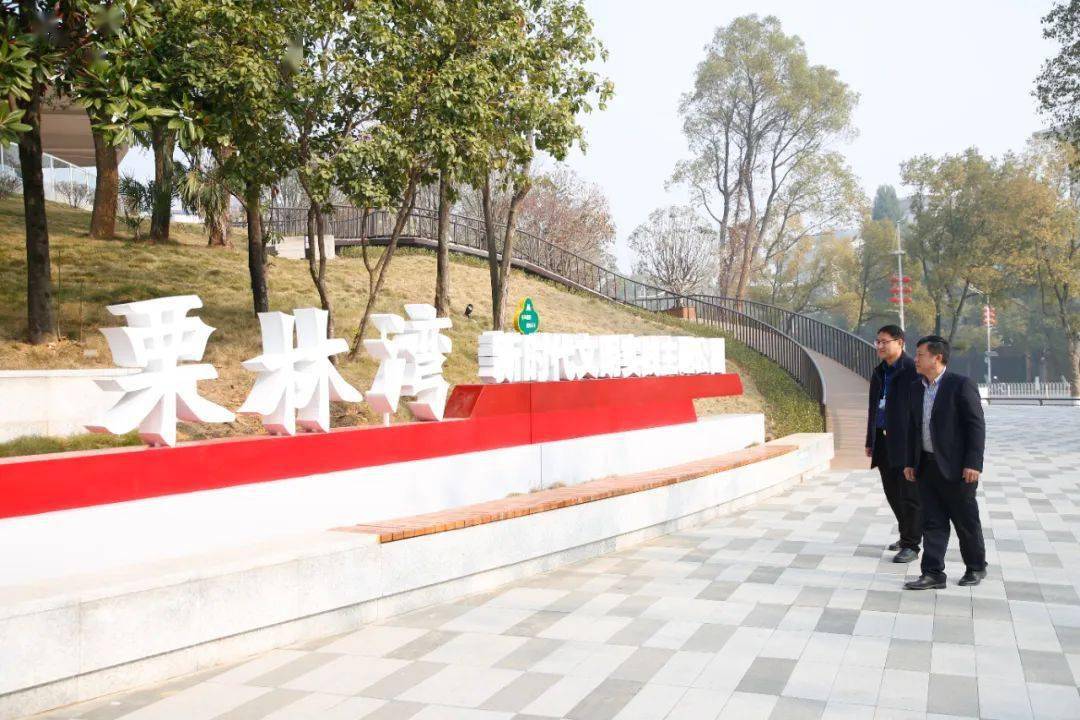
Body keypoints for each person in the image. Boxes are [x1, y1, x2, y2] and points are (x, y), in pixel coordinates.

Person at [903, 335, 988, 589]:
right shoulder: (916, 387)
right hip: (926, 466)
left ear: (936, 357)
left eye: (920, 355)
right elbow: (913, 427)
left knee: (965, 521)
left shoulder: (960, 385)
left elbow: (976, 426)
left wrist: (973, 463)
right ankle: (932, 573)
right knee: (932, 521)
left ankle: (975, 567)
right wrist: (910, 461)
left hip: (958, 468)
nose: (915, 359)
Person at [865, 325, 920, 563]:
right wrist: (870, 439)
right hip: (882, 439)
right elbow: (872, 408)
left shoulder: (911, 370)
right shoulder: (879, 371)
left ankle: (911, 544)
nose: (879, 346)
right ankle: (905, 534)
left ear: (900, 342)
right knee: (892, 492)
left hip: (905, 442)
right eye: (877, 341)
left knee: (909, 493)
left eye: (884, 341)